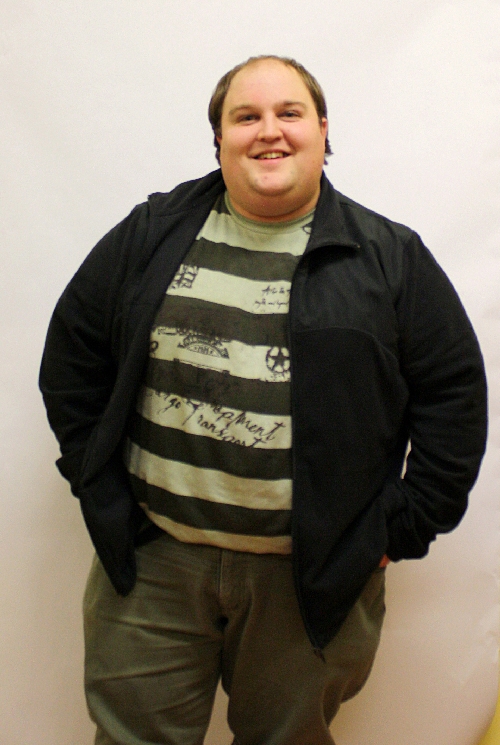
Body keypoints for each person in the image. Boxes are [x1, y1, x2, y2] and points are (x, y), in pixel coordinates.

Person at [39, 55, 487, 745]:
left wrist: (399, 528)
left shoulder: (389, 257)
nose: (268, 131)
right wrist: (98, 484)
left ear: (323, 130)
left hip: (310, 582)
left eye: (289, 113)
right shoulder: (152, 232)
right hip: (154, 566)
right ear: (219, 137)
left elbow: (453, 397)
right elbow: (73, 356)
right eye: (246, 116)